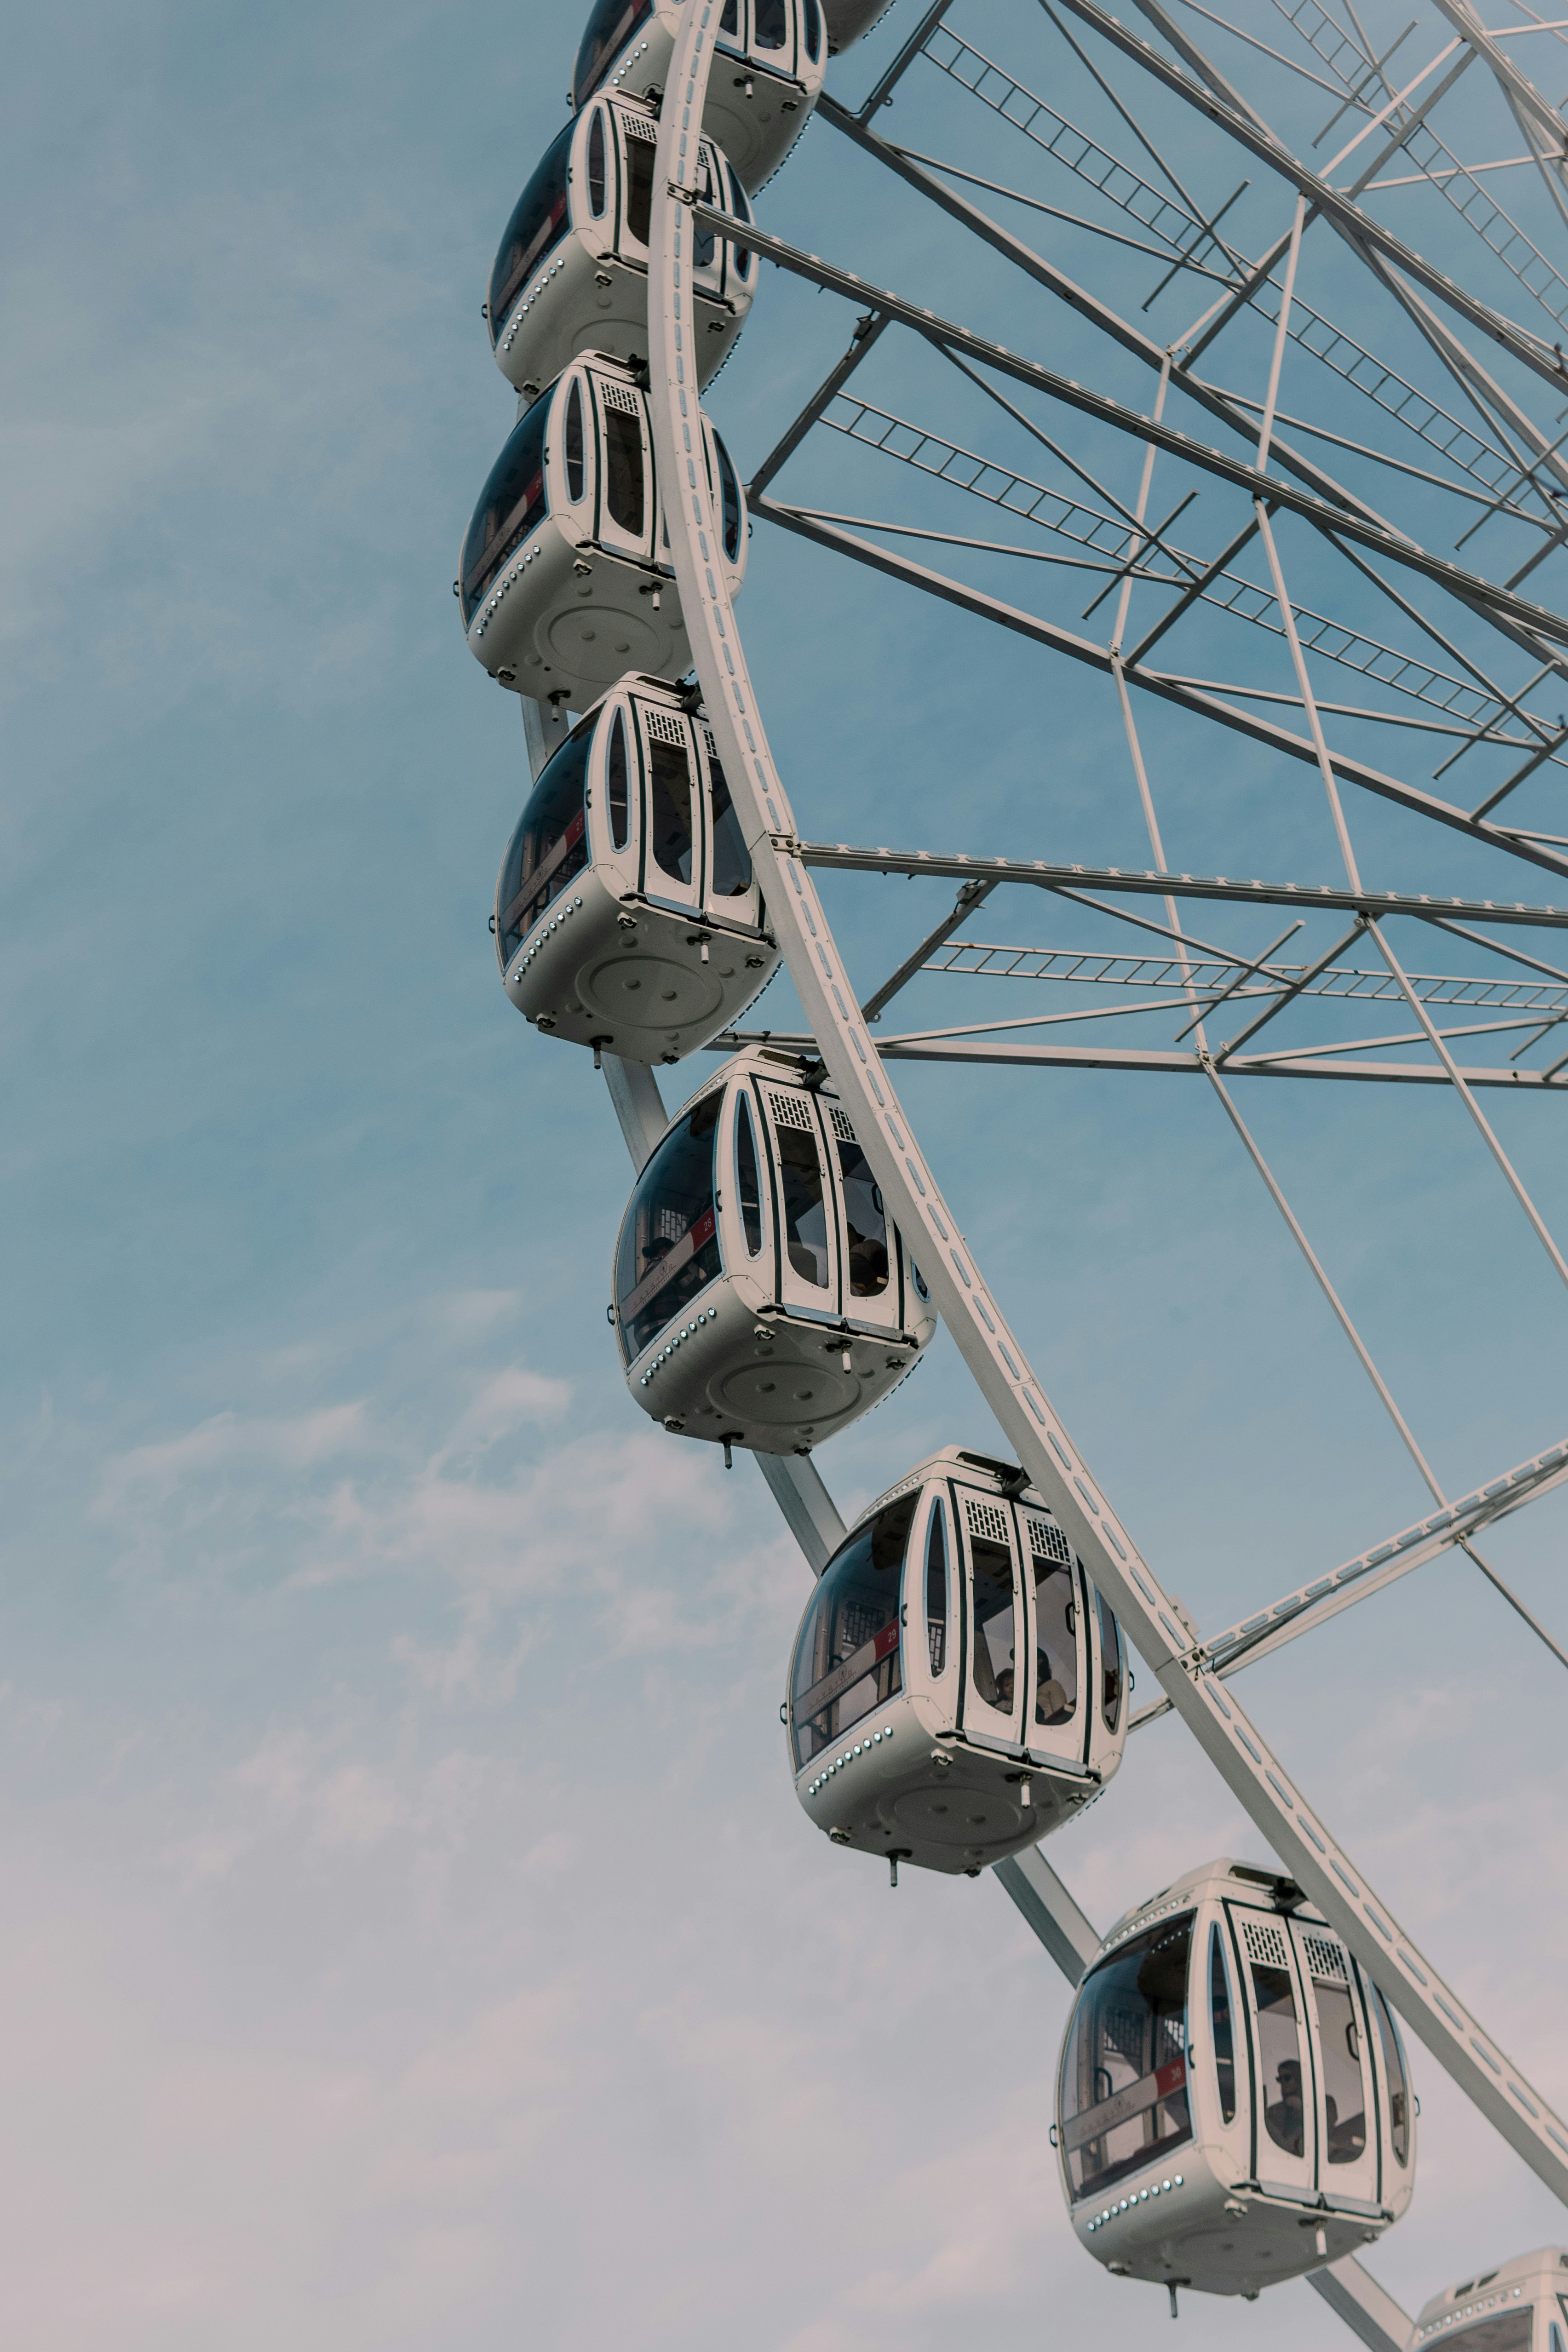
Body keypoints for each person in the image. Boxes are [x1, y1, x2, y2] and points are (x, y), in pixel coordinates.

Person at [1266, 2058, 1306, 2156]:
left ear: (1299, 2079)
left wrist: (1302, 2110)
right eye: (1280, 2079)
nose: (1283, 2082)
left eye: (1287, 2078)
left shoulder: (1323, 2104)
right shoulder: (1275, 2110)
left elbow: (1325, 2130)